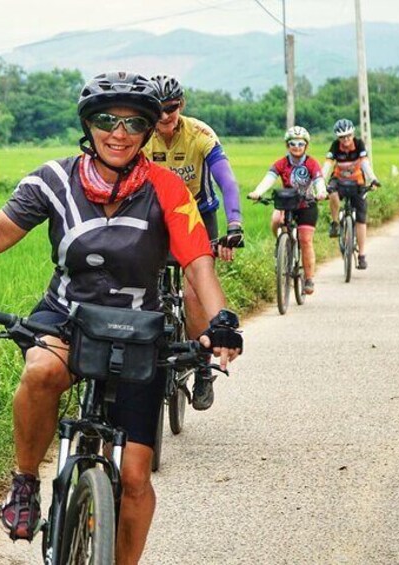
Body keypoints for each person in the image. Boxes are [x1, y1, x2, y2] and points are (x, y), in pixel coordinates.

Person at [0, 71, 242, 565]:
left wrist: (222, 320)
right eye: (107, 120)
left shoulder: (168, 188)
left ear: (148, 131)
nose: (119, 133)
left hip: (138, 328)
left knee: (134, 477)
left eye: (133, 123)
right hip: (67, 317)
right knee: (41, 371)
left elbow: (196, 263)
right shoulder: (52, 180)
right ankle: (23, 483)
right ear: (88, 124)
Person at [143, 74, 244, 410]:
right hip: (155, 217)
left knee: (192, 291)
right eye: (157, 110)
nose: (164, 117)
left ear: (181, 105)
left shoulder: (200, 134)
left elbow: (227, 181)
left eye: (171, 109)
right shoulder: (141, 135)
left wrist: (234, 224)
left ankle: (201, 365)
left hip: (197, 216)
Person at [248, 126, 327, 295]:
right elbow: (269, 179)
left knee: (305, 240)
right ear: (287, 145)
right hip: (287, 203)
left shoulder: (311, 163)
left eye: (300, 143)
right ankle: (282, 245)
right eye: (292, 143)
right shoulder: (281, 163)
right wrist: (257, 192)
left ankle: (309, 278)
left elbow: (319, 180)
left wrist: (321, 192)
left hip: (307, 205)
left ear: (306, 145)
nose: (296, 147)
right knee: (276, 220)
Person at [323, 118, 381, 270]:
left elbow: (365, 163)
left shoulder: (359, 144)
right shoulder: (335, 146)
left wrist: (373, 179)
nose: (346, 140)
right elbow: (327, 165)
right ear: (338, 138)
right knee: (332, 192)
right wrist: (319, 181)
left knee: (361, 220)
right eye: (342, 137)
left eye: (348, 136)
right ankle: (335, 223)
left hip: (357, 182)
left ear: (353, 134)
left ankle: (361, 255)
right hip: (339, 180)